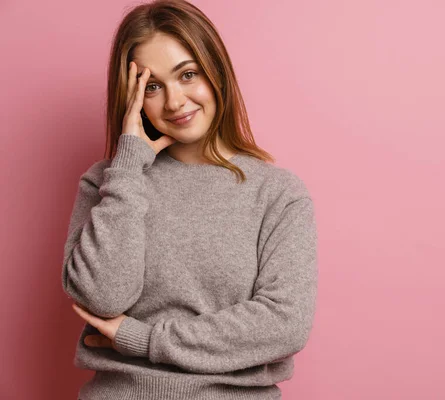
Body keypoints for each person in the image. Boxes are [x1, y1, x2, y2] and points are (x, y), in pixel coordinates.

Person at [61, 1, 318, 399]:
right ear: (132, 98)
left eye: (187, 75)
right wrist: (128, 167)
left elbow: (284, 323)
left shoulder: (277, 193)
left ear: (216, 72)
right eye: (152, 86)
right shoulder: (108, 183)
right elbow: (104, 296)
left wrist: (143, 339)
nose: (175, 101)